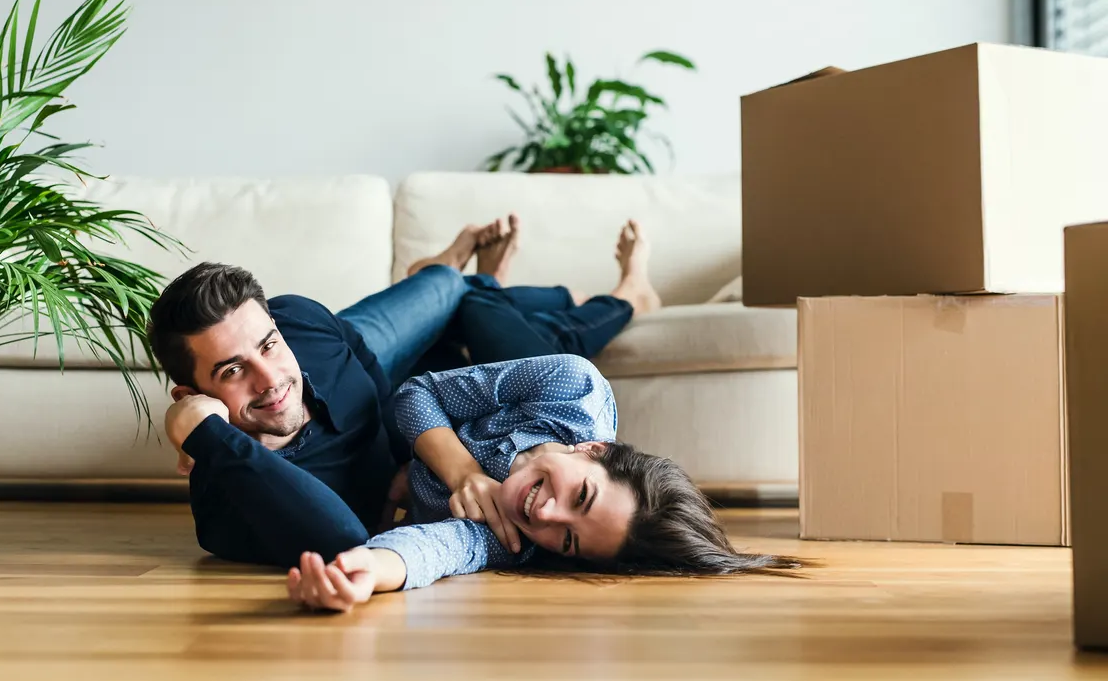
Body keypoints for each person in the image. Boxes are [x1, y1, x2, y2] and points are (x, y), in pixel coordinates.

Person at [149, 215, 661, 568]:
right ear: (194, 394)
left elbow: (373, 370)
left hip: (357, 356)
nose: (269, 379)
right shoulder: (230, 502)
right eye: (233, 371)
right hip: (418, 392)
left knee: (451, 291)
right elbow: (342, 540)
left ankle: (458, 273)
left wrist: (411, 448)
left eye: (268, 343)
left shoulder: (299, 325)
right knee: (476, 309)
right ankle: (589, 294)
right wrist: (202, 431)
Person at [284, 354, 802, 613]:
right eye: (582, 496)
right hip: (416, 377)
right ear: (594, 449)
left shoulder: (517, 541)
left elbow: (438, 548)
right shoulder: (572, 388)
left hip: (373, 458)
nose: (548, 516)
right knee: (427, 298)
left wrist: (367, 570)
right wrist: (462, 472)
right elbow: (417, 393)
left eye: (570, 540)